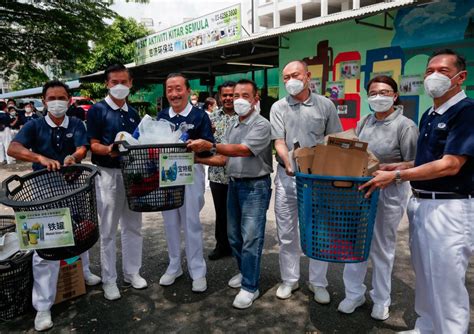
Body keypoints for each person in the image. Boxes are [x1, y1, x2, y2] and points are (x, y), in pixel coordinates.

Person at [361, 49, 473, 334]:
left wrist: (397, 175)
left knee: (446, 281)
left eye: (443, 71)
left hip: (449, 207)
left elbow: (450, 165)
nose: (433, 76)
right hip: (421, 203)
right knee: (424, 274)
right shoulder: (430, 113)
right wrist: (399, 165)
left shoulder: (466, 112)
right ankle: (426, 327)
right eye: (429, 70)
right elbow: (426, 162)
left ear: (461, 77)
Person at [7, 80, 101, 331]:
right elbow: (13, 147)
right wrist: (39, 157)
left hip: (73, 183)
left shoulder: (76, 123)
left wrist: (74, 157)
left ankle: (84, 271)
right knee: (46, 244)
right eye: (52, 98)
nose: (57, 102)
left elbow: (83, 147)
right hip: (44, 188)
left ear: (69, 100)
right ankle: (43, 306)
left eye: (62, 97)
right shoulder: (34, 125)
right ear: (44, 101)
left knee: (81, 229)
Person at [336, 75, 418, 320]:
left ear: (394, 96)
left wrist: (388, 170)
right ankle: (353, 294)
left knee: (382, 247)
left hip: (389, 190)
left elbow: (416, 163)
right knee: (355, 244)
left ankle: (381, 299)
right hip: (360, 190)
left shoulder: (406, 126)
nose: (378, 97)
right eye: (373, 93)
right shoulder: (365, 122)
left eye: (384, 92)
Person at [188, 79, 273, 309]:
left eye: (245, 95)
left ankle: (250, 286)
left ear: (256, 99)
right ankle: (244, 271)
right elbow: (224, 158)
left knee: (251, 238)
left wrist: (210, 144)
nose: (239, 100)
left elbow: (244, 150)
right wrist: (194, 158)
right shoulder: (234, 124)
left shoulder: (262, 125)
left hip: (255, 187)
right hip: (234, 184)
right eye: (236, 96)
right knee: (234, 236)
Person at [270, 60, 342, 303]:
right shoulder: (278, 107)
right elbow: (279, 140)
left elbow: (334, 139)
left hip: (317, 178)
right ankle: (289, 279)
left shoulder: (325, 105)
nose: (291, 80)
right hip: (287, 175)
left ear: (308, 76)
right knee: (287, 231)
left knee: (318, 229)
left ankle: (318, 281)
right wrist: (288, 161)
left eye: (295, 75)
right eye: (286, 77)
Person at [87, 64, 147, 301]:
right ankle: (109, 280)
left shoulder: (133, 112)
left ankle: (132, 272)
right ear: (107, 84)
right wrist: (108, 149)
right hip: (107, 174)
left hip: (131, 173)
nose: (119, 86)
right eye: (114, 82)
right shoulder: (97, 110)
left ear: (131, 83)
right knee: (109, 229)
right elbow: (92, 144)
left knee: (133, 225)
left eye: (124, 82)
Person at [157, 73, 214, 293]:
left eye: (178, 88)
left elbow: (210, 146)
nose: (174, 94)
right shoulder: (162, 116)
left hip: (190, 172)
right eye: (169, 89)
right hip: (167, 174)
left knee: (191, 223)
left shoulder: (200, 116)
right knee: (170, 222)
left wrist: (199, 145)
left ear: (188, 90)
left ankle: (197, 271)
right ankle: (174, 266)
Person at [207, 81, 238, 260]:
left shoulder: (244, 116)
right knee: (221, 212)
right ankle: (222, 245)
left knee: (238, 213)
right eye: (224, 95)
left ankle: (237, 246)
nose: (228, 98)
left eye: (231, 95)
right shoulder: (212, 118)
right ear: (219, 96)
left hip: (239, 175)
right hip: (217, 175)